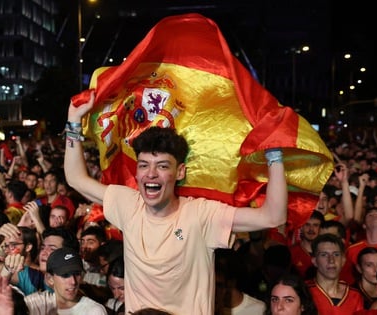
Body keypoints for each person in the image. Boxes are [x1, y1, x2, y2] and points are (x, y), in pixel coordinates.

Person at [64, 92, 287, 314]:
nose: (150, 174)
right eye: (143, 165)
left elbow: (272, 216)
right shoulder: (128, 204)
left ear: (179, 172)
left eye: (162, 166)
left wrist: (274, 153)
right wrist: (74, 122)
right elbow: (76, 179)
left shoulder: (200, 215)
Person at [23, 247, 107, 314]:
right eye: (65, 275)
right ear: (50, 279)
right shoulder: (37, 304)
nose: (73, 282)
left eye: (76, 273)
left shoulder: (93, 311)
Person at [307, 233, 364, 314]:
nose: (331, 260)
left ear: (343, 260)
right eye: (324, 255)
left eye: (336, 254)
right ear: (314, 261)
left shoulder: (355, 295)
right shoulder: (305, 291)